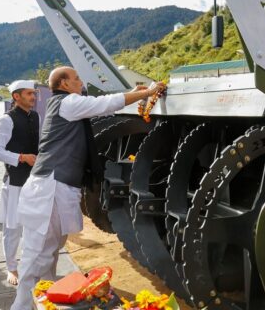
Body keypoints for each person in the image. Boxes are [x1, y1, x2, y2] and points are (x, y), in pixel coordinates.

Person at [10, 66, 165, 310]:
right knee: (38, 252)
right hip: (49, 189)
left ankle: (45, 300)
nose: (81, 82)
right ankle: (21, 306)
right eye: (76, 78)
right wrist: (148, 92)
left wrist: (133, 92)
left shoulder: (65, 103)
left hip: (53, 188)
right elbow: (104, 104)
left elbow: (102, 104)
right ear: (64, 84)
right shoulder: (68, 102)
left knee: (49, 252)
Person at [0, 80, 39, 285]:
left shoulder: (35, 116)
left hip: (34, 180)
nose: (33, 97)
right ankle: (11, 268)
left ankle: (29, 264)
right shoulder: (6, 120)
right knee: (12, 227)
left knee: (33, 225)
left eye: (34, 93)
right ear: (16, 97)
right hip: (15, 180)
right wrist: (22, 157)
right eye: (29, 94)